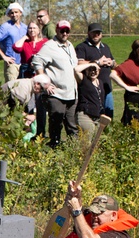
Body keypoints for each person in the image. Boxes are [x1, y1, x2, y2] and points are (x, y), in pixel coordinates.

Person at [31, 19, 78, 147]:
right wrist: (44, 82)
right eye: (62, 30)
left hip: (72, 93)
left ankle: (74, 151)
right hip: (57, 93)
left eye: (67, 31)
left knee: (72, 125)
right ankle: (53, 149)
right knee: (56, 124)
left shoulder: (70, 46)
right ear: (56, 30)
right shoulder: (50, 46)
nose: (64, 33)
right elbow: (37, 61)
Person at [111, 38, 139, 129]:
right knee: (134, 124)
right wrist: (127, 87)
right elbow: (112, 74)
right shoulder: (129, 64)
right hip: (134, 98)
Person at [75, 22, 115, 118]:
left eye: (98, 33)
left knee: (108, 117)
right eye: (93, 33)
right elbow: (78, 63)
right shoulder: (82, 47)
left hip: (107, 87)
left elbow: (114, 63)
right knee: (95, 116)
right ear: (88, 33)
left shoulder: (105, 47)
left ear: (101, 34)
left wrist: (111, 63)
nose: (96, 35)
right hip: (91, 89)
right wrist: (97, 63)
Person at [0, 2, 27, 83]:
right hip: (12, 63)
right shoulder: (6, 27)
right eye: (12, 13)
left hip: (24, 64)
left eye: (16, 12)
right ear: (8, 14)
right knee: (12, 89)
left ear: (21, 13)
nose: (14, 14)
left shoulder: (25, 27)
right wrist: (4, 56)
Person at [75, 62, 103, 135]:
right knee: (88, 137)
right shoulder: (83, 80)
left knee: (96, 140)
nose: (93, 72)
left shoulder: (100, 82)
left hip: (97, 116)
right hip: (85, 114)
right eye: (90, 70)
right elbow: (76, 70)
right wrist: (91, 64)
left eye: (95, 70)